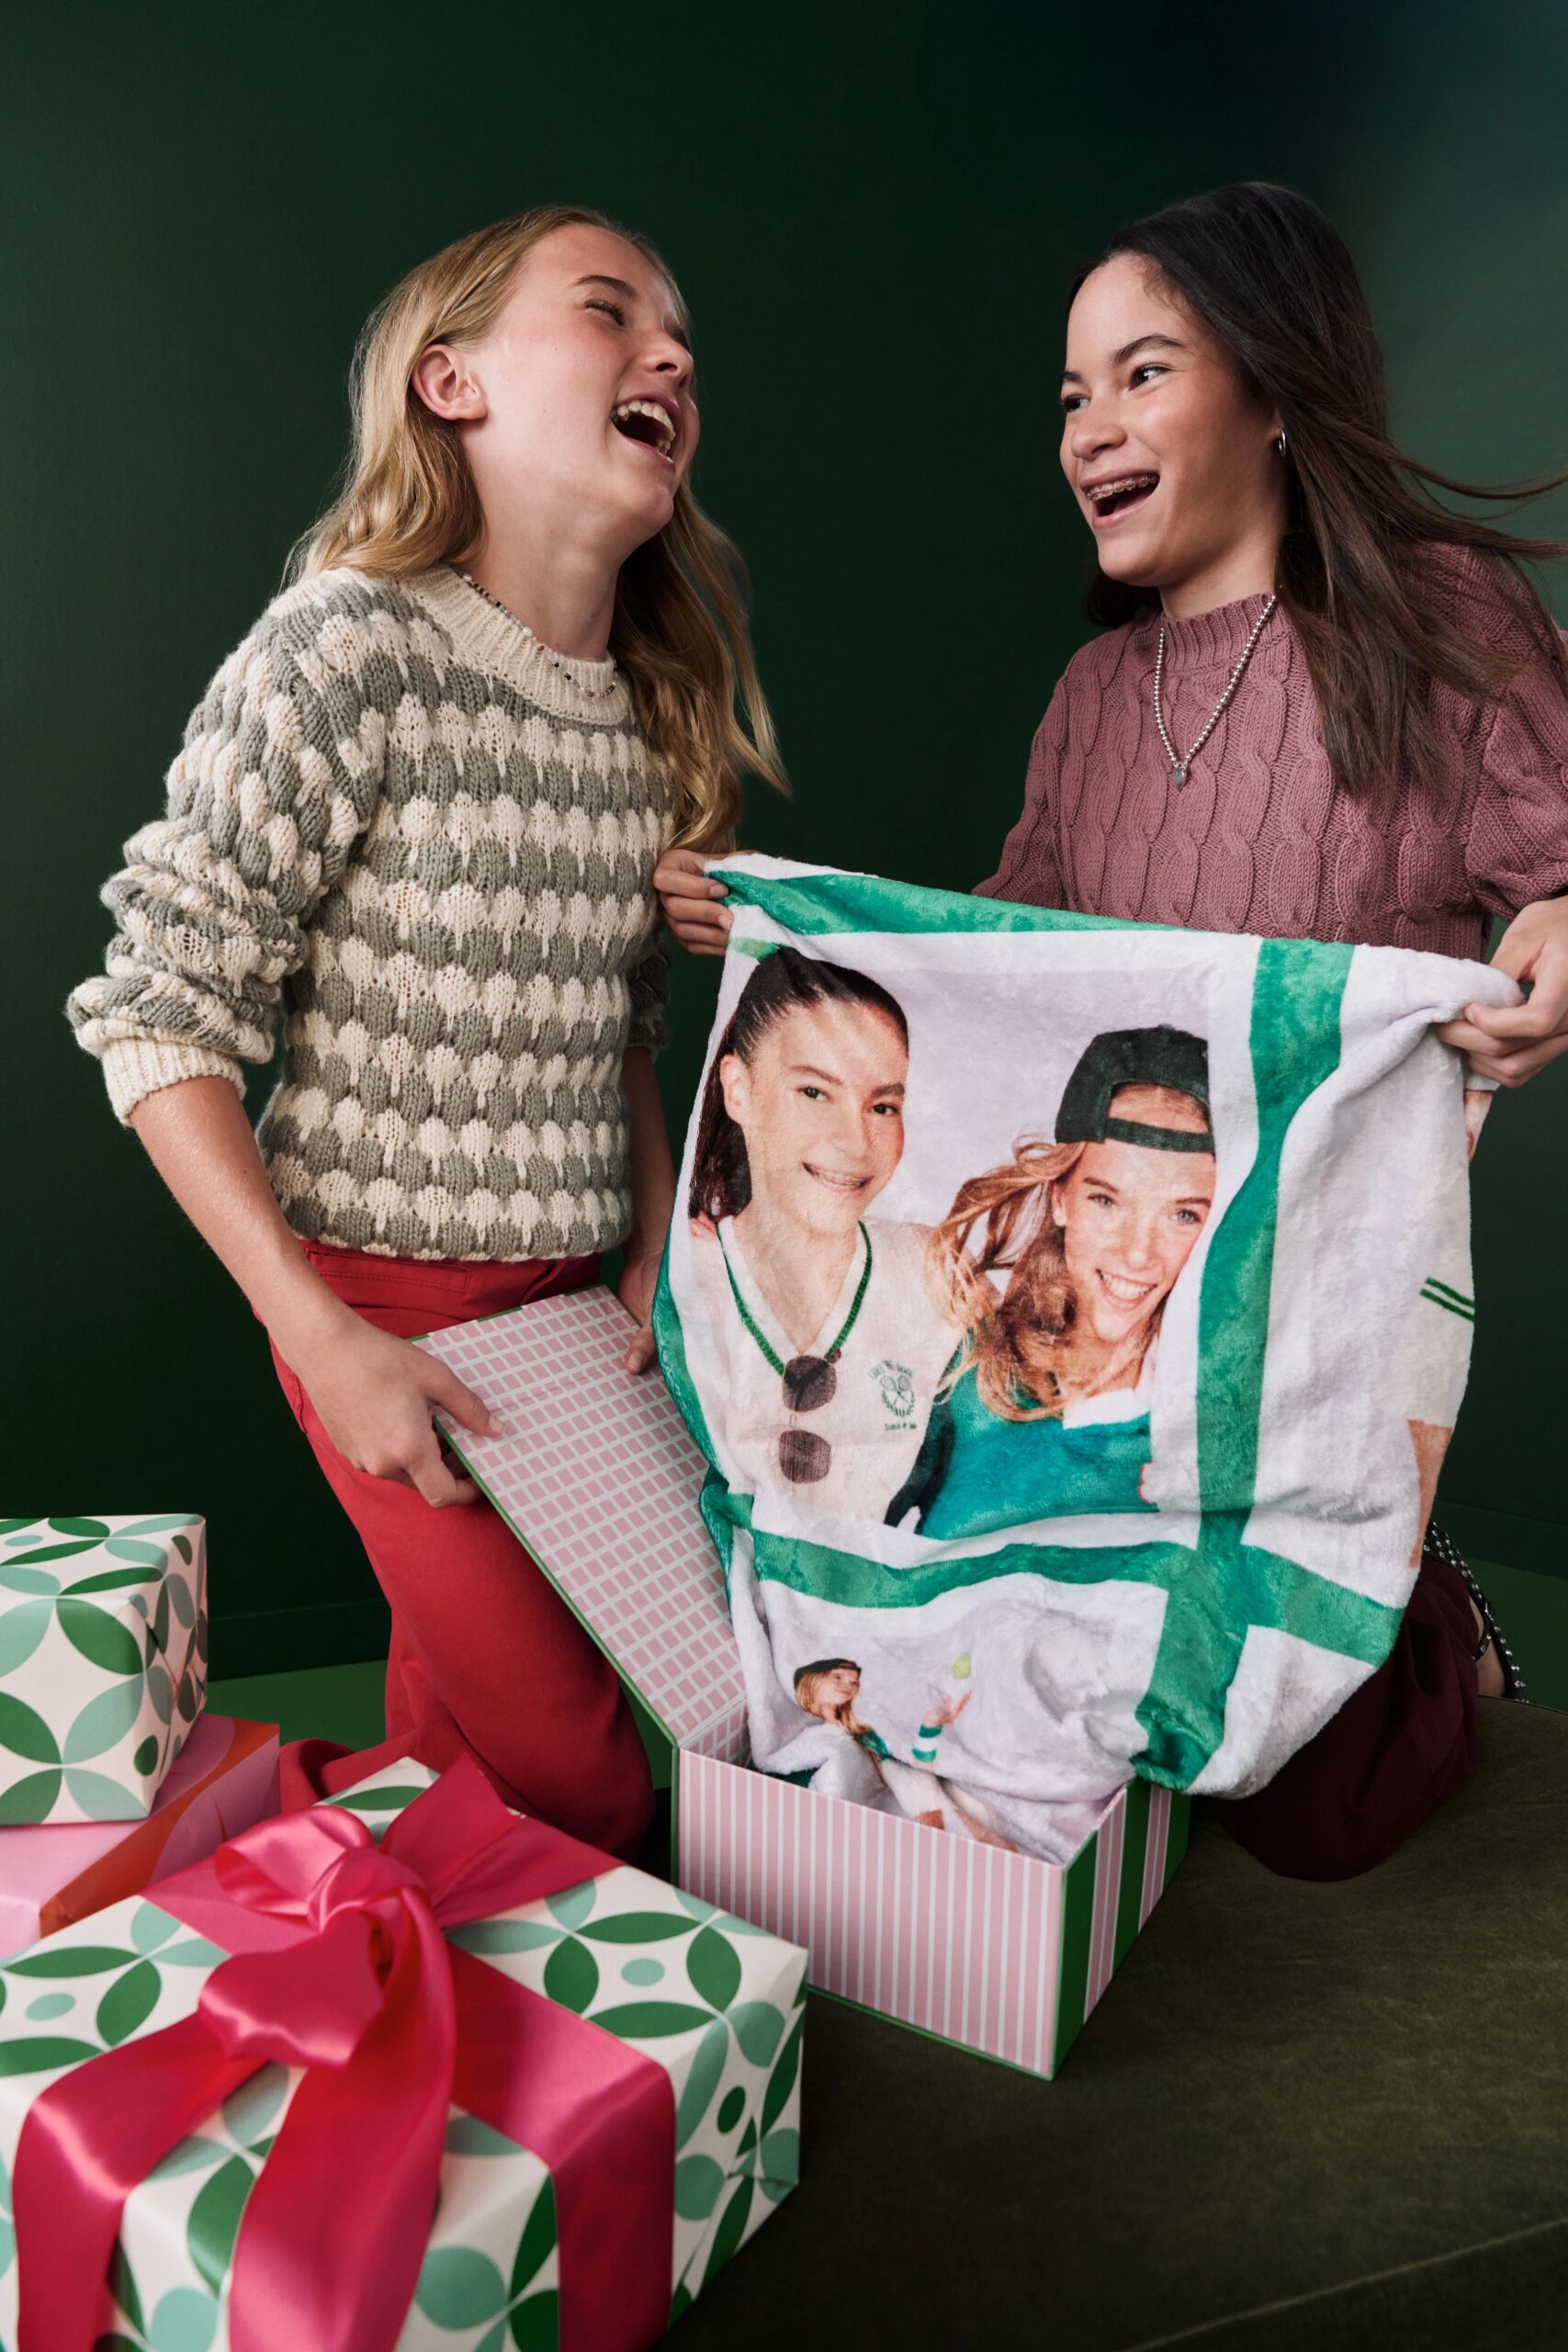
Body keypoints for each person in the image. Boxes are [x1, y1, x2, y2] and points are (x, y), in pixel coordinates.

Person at [657, 181, 1565, 1878]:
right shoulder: (1090, 704)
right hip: (1103, 1315)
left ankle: (1424, 1610)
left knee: (1311, 1817)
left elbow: (1560, 867)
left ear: (1277, 392)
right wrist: (790, 936)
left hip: (1318, 1321)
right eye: (1071, 397)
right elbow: (992, 974)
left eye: (1140, 376)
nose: (1090, 430)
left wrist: (1561, 930)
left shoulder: (1436, 620)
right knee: (1003, 1668)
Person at [67, 204, 785, 1859]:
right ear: (451, 383)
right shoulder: (347, 648)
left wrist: (652, 1248)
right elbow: (157, 1017)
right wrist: (323, 1338)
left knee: (508, 1726)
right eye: (609, 314)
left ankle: (475, 2036)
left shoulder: (648, 723)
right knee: (585, 1777)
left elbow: (619, 1031)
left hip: (573, 1319)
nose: (668, 355)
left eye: (681, 340)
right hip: (381, 1308)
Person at [891, 1028, 1215, 1538]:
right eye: (1106, 1201)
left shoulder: (1227, 1419)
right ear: (1061, 1198)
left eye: (1182, 1215)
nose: (1138, 1253)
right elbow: (831, 1513)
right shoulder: (965, 1370)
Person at [683, 945, 959, 1520]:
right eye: (814, 1092)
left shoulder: (933, 1275)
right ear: (739, 1090)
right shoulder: (692, 1271)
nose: (855, 1144)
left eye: (883, 1107)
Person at [791, 1659, 1012, 1845]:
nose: (848, 1685)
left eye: (854, 1682)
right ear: (810, 1683)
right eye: (837, 1677)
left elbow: (908, 1746)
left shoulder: (864, 1714)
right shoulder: (847, 1726)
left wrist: (930, 1725)